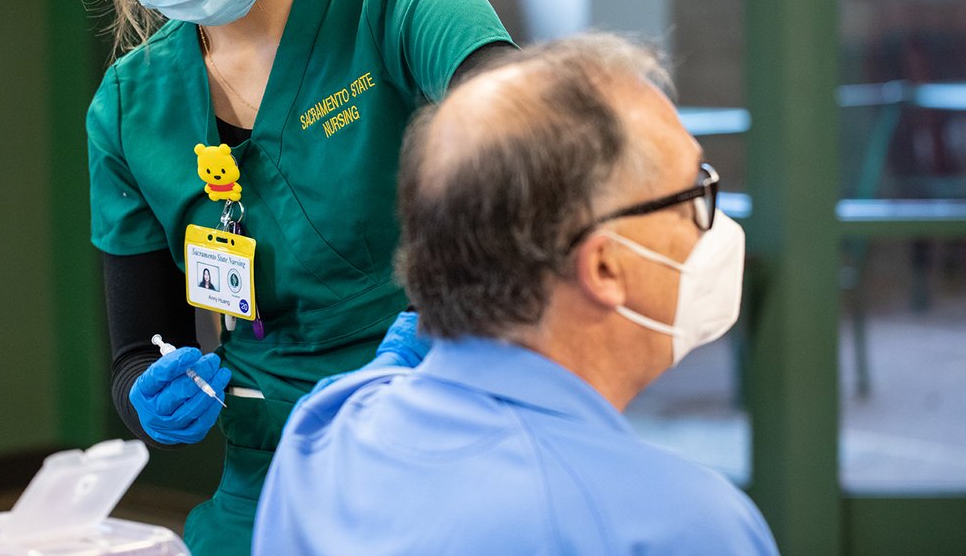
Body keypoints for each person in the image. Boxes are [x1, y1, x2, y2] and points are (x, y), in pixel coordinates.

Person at [41, 0, 514, 554]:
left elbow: (535, 139)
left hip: (448, 437)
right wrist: (147, 393)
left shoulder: (398, 4)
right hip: (273, 475)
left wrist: (449, 315)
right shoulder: (130, 112)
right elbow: (137, 347)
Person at [254, 34, 780, 555]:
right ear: (603, 266)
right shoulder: (677, 526)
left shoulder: (323, 434)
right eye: (694, 192)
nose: (712, 226)